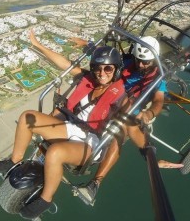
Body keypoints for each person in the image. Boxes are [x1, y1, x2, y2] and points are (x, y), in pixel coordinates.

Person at [0, 31, 126, 219]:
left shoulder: (121, 97)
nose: (102, 73)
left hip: (92, 142)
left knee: (55, 153)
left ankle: (45, 199)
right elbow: (62, 63)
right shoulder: (88, 79)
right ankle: (14, 160)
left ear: (116, 69)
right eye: (98, 68)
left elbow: (126, 124)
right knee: (27, 117)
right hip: (72, 126)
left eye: (108, 69)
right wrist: (38, 45)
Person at [77, 36, 183, 204]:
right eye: (139, 60)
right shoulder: (127, 62)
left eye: (146, 62)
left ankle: (95, 184)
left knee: (120, 131)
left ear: (154, 61)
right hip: (109, 96)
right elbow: (106, 58)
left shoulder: (158, 78)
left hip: (129, 110)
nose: (141, 65)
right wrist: (87, 44)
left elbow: (158, 101)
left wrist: (149, 114)